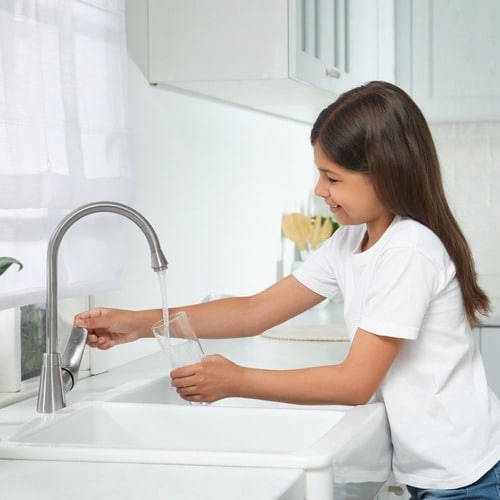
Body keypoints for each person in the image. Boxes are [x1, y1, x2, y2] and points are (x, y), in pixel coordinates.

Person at [75, 81, 500, 498]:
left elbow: (354, 383)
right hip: (436, 471)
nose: (320, 190)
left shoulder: (409, 249)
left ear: (385, 174)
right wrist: (138, 323)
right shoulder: (351, 241)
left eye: (331, 177)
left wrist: (237, 380)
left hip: (467, 478)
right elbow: (255, 311)